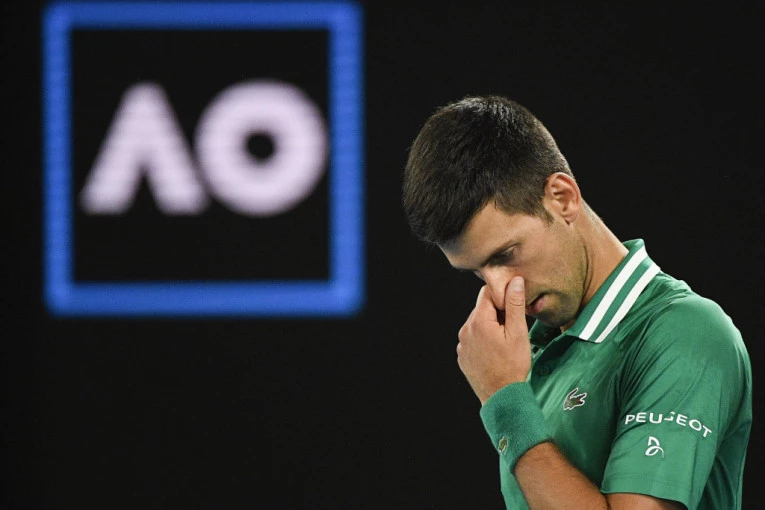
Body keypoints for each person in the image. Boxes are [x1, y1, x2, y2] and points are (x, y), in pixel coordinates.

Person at [402, 95, 752, 509]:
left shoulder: (686, 332)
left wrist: (505, 401)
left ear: (563, 198)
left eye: (505, 255)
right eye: (477, 272)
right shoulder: (536, 352)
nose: (498, 290)